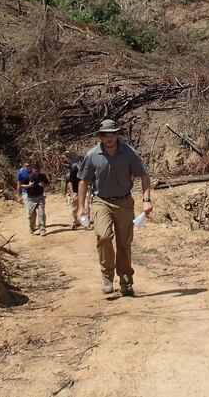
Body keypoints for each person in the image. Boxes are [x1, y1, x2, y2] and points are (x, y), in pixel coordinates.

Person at [77, 119, 152, 297]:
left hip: (124, 202)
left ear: (117, 134)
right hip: (101, 201)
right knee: (103, 236)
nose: (109, 138)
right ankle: (107, 278)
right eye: (105, 135)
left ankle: (126, 281)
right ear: (100, 136)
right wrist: (81, 207)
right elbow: (83, 181)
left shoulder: (128, 153)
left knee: (124, 243)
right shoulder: (93, 155)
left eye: (112, 134)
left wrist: (146, 199)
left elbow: (144, 175)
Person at [20, 161, 49, 236]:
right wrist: (28, 186)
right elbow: (21, 185)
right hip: (31, 198)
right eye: (36, 171)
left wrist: (44, 185)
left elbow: (48, 184)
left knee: (41, 213)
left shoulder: (42, 176)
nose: (37, 173)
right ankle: (32, 227)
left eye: (38, 171)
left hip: (40, 197)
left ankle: (42, 229)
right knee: (31, 215)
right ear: (33, 170)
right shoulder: (28, 177)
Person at [64, 162, 82, 229]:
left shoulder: (86, 169)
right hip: (75, 191)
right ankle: (75, 222)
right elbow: (70, 182)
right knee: (75, 208)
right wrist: (72, 193)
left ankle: (86, 223)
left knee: (86, 206)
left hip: (84, 191)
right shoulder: (74, 171)